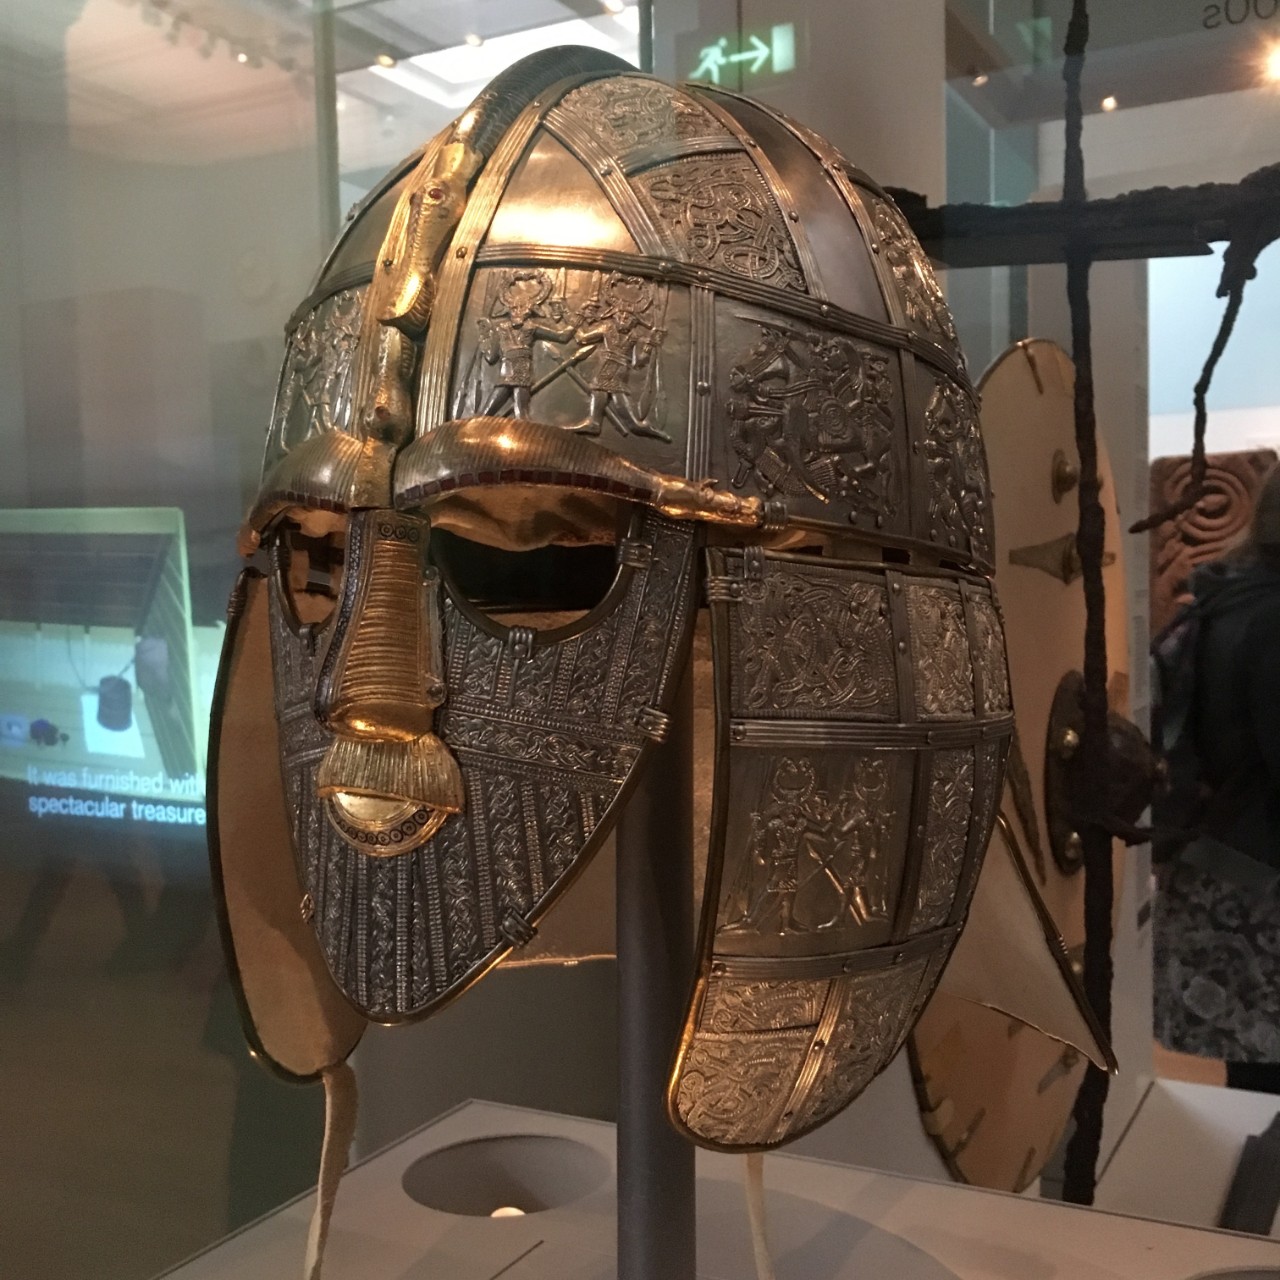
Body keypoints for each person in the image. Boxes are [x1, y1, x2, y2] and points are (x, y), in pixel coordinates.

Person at [1154, 463, 1280, 1092]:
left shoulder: (1225, 598)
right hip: (1260, 893)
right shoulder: (1271, 615)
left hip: (1215, 875)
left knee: (1257, 1085)